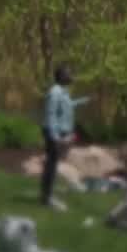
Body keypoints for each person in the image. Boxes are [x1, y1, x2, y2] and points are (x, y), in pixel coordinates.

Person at [41, 64, 90, 211]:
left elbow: (66, 107)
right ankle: (47, 198)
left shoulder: (63, 92)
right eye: (69, 73)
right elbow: (51, 115)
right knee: (51, 164)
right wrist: (56, 137)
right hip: (55, 133)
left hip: (60, 133)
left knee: (54, 163)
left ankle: (48, 193)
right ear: (62, 77)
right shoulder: (55, 93)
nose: (72, 76)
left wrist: (82, 101)